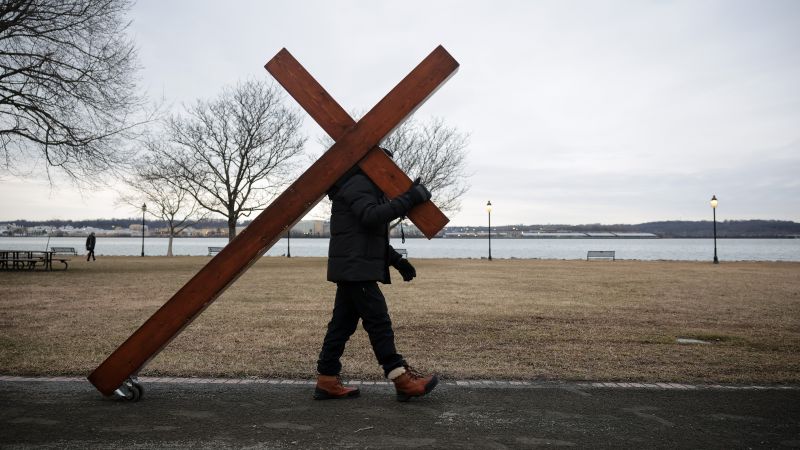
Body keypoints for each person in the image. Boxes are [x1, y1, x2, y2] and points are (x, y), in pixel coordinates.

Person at [314, 165, 438, 402]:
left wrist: (398, 261)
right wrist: (410, 198)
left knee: (341, 326)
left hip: (353, 267)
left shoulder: (360, 184)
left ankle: (327, 379)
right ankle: (402, 379)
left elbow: (367, 236)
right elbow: (370, 217)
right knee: (378, 321)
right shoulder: (359, 182)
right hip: (356, 270)